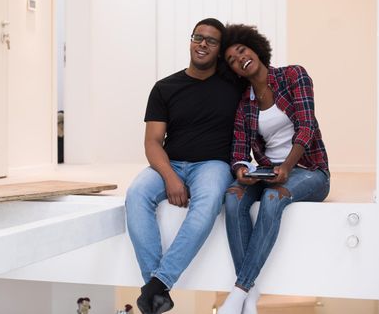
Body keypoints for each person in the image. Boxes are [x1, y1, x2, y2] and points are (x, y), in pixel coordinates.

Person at [126, 18, 243, 314]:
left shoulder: (233, 86)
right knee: (136, 194)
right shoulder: (165, 87)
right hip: (172, 162)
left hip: (213, 165)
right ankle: (156, 287)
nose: (202, 44)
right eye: (197, 37)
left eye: (211, 41)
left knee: (208, 203)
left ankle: (157, 283)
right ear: (191, 41)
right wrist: (170, 178)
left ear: (220, 50)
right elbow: (152, 142)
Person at [217, 24, 330, 314]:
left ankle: (240, 292)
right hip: (269, 172)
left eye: (241, 50)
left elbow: (307, 126)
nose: (239, 58)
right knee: (233, 196)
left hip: (309, 170)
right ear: (235, 72)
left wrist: (287, 167)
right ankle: (251, 296)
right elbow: (239, 151)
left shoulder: (293, 75)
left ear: (255, 48)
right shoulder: (244, 104)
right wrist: (242, 169)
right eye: (231, 59)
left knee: (272, 198)